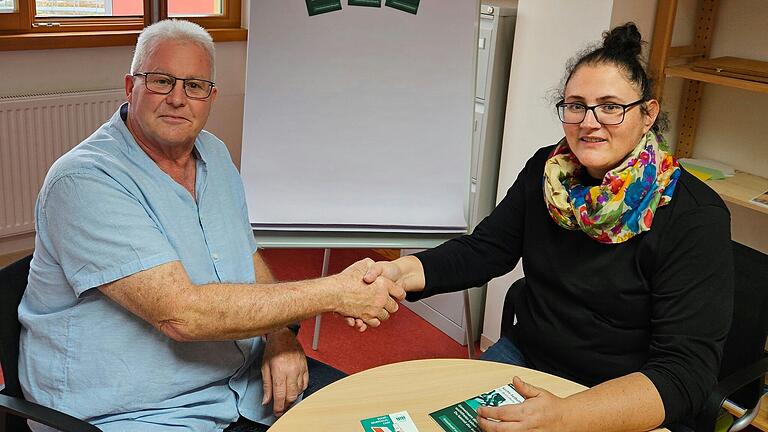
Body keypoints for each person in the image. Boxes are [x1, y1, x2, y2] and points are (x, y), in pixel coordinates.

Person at [19, 19, 404, 432]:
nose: (178, 99)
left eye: (195, 86)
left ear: (211, 97)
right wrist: (335, 293)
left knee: (374, 418)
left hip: (238, 383)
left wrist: (279, 336)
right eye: (162, 81)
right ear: (131, 87)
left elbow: (247, 257)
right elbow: (181, 315)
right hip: (134, 413)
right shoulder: (83, 181)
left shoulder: (214, 155)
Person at [362, 23, 733, 432]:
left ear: (648, 114)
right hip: (530, 360)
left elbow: (684, 374)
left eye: (611, 106)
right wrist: (399, 272)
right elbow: (485, 250)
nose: (589, 122)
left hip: (624, 392)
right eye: (576, 105)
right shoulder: (547, 171)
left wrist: (566, 415)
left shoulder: (694, 215)